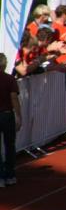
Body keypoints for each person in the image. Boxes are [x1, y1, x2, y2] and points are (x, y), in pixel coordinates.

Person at [0, 53, 21, 187]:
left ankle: (1, 177)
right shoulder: (9, 79)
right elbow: (14, 98)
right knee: (10, 145)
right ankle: (10, 175)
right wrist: (18, 115)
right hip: (7, 115)